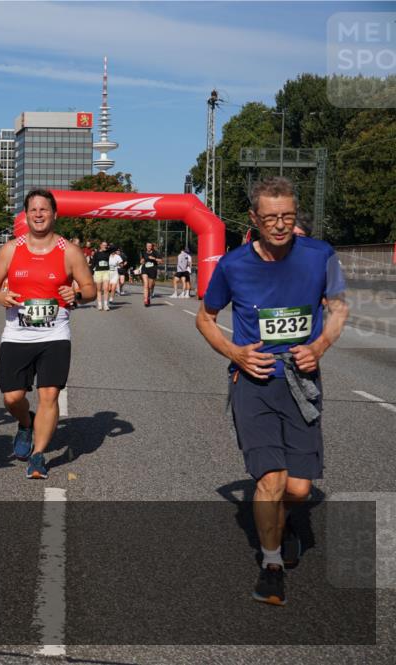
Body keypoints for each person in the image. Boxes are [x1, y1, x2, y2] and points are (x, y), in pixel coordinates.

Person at [196, 176, 348, 606]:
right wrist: (235, 353)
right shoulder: (233, 265)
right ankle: (271, 563)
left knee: (299, 489)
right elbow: (205, 318)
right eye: (271, 218)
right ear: (254, 219)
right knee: (271, 479)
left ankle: (286, 526)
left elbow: (338, 309)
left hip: (302, 382)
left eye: (288, 216)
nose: (280, 225)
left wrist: (318, 346)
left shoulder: (321, 256)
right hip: (255, 383)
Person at [0, 189, 96, 479]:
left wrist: (76, 293)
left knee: (50, 395)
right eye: (33, 210)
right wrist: (0, 296)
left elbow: (90, 290)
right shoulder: (11, 248)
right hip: (17, 333)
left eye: (44, 209)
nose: (38, 214)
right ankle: (25, 422)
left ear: (54, 214)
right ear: (26, 215)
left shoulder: (69, 251)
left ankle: (38, 455)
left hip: (55, 333)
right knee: (11, 397)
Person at [90, 241, 112, 311]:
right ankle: (100, 305)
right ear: (100, 245)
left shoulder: (108, 252)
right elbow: (93, 263)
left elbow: (115, 247)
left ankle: (105, 305)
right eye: (103, 245)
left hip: (106, 271)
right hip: (98, 272)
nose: (105, 246)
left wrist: (108, 248)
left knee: (106, 289)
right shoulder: (96, 254)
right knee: (99, 290)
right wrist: (91, 273)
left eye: (106, 245)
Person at [140, 241, 161, 306]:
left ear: (152, 247)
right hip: (145, 270)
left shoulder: (155, 253)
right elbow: (142, 260)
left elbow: (161, 260)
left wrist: (154, 258)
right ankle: (145, 300)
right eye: (147, 246)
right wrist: (142, 261)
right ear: (146, 247)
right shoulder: (143, 252)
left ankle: (148, 297)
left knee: (150, 286)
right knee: (145, 285)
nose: (148, 247)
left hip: (152, 270)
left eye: (150, 246)